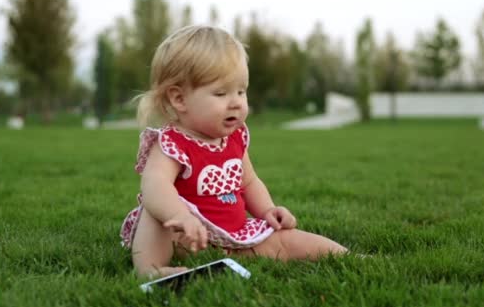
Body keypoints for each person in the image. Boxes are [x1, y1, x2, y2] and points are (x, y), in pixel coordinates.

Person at [120, 25, 348, 277]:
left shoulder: (235, 138)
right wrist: (179, 216)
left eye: (241, 91)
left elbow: (249, 182)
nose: (236, 102)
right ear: (179, 99)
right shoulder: (172, 143)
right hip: (185, 238)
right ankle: (151, 268)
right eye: (221, 93)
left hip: (233, 234)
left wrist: (268, 211)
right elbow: (154, 185)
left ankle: (350, 256)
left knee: (286, 240)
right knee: (155, 214)